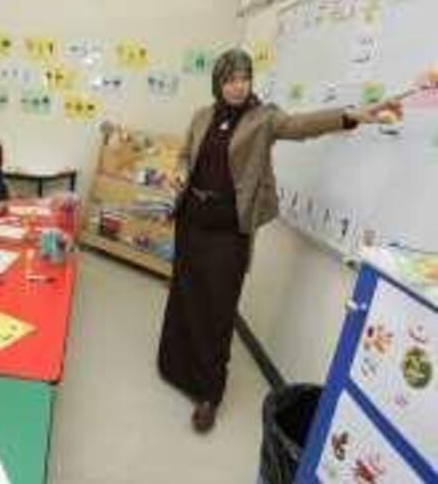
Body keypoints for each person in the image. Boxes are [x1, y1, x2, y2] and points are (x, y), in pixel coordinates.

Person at [156, 49, 402, 433]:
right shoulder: (202, 116)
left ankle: (208, 394)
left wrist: (352, 115)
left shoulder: (264, 118)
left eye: (244, 78)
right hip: (191, 223)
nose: (238, 86)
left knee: (218, 310)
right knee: (185, 295)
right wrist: (179, 172)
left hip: (228, 232)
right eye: (230, 79)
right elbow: (186, 155)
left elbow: (300, 125)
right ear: (218, 82)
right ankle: (174, 367)